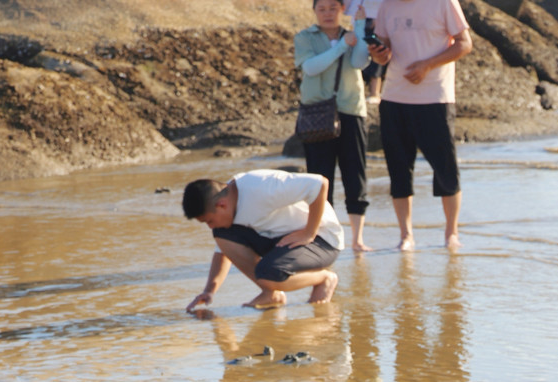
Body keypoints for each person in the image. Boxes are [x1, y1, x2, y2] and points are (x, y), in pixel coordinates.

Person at [367, 0, 472, 250]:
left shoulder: (444, 2)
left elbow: (465, 43)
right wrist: (378, 54)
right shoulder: (386, 6)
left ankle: (451, 233)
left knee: (445, 169)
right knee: (399, 171)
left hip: (435, 97)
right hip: (394, 97)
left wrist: (427, 65)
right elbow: (384, 52)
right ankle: (406, 235)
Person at [182, 169, 344, 312]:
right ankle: (271, 293)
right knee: (221, 234)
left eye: (209, 221)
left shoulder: (260, 186)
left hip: (322, 239)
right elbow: (223, 251)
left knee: (268, 274)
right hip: (282, 238)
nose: (210, 226)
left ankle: (325, 278)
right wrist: (209, 291)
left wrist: (309, 232)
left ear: (222, 205)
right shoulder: (228, 205)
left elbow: (319, 184)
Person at [295, 0, 373, 252]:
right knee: (320, 177)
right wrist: (341, 46)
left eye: (333, 8)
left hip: (351, 109)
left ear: (342, 9)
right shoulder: (304, 37)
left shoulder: (352, 34)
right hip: (317, 113)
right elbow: (310, 67)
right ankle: (323, 236)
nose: (327, 13)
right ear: (314, 11)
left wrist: (359, 27)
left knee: (355, 174)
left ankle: (357, 239)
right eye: (322, 9)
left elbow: (360, 62)